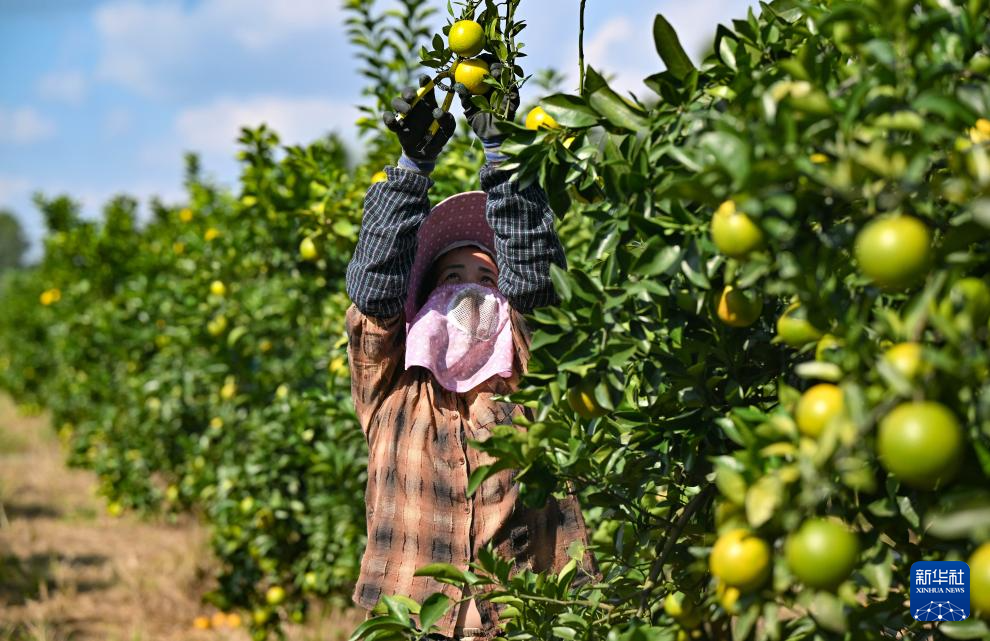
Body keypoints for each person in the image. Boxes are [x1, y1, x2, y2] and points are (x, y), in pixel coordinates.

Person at [344, 60, 601, 641]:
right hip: (412, 627)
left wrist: (503, 155)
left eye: (486, 278)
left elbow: (536, 284)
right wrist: (411, 169)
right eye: (451, 277)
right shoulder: (390, 389)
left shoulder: (528, 383)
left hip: (523, 626)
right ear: (422, 304)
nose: (469, 291)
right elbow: (374, 293)